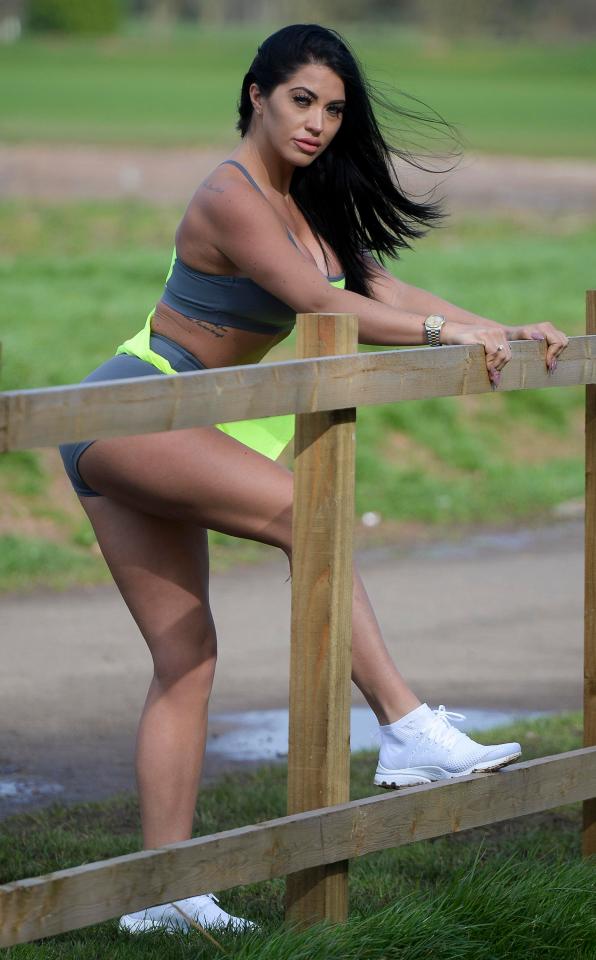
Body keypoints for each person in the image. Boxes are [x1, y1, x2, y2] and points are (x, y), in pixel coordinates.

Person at [59, 23, 568, 935]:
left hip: (176, 422)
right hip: (133, 406)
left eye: (334, 109)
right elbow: (322, 305)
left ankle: (162, 897)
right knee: (307, 511)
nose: (319, 123)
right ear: (256, 94)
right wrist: (445, 339)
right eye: (302, 101)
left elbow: (383, 290)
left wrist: (501, 326)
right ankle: (406, 727)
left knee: (186, 657)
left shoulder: (309, 205)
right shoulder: (232, 194)